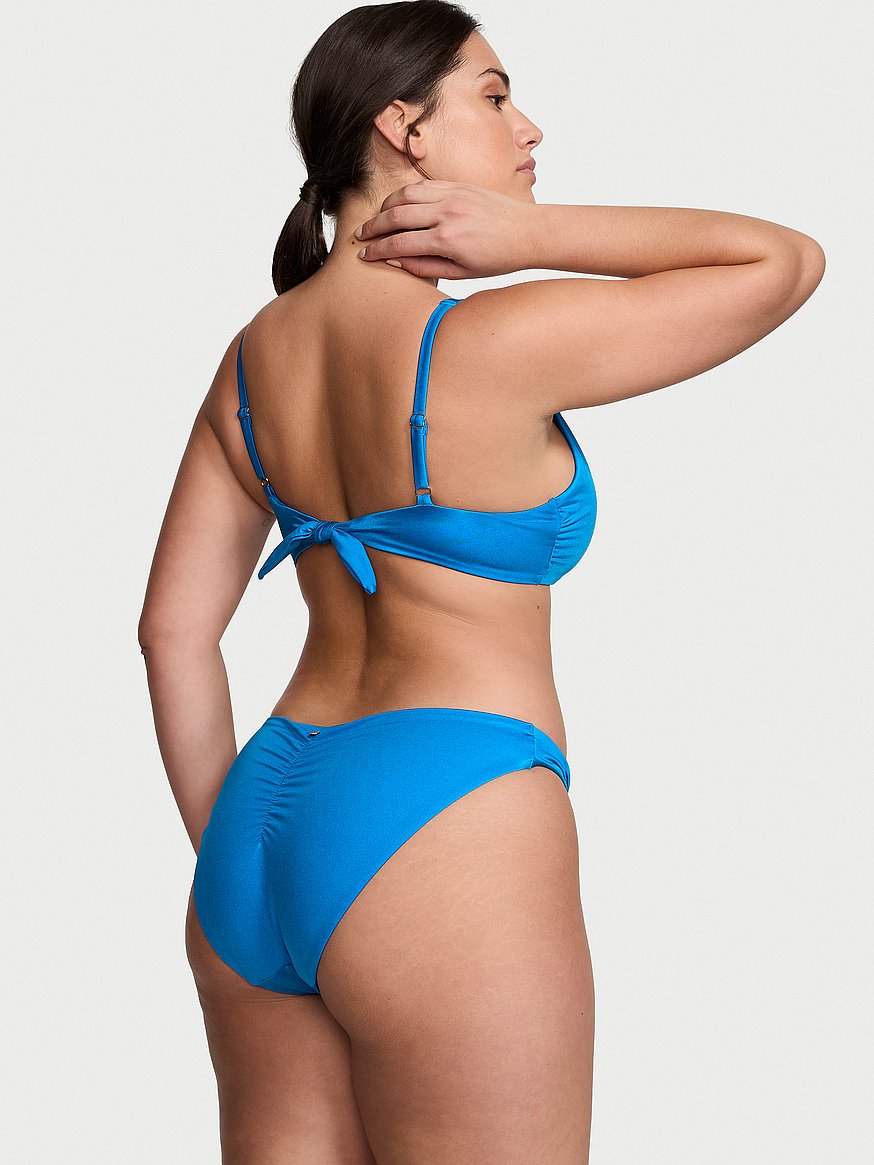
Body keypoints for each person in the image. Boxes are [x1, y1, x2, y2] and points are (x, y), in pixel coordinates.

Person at [137, 2, 825, 1161]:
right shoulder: (491, 344)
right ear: (402, 128)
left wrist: (239, 856)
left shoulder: (253, 359)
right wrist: (528, 238)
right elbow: (784, 261)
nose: (528, 129)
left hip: (257, 828)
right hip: (445, 816)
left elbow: (171, 634)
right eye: (495, 97)